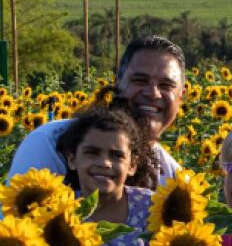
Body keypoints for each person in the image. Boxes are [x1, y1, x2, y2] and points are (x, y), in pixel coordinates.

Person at [7, 35, 185, 187]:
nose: (152, 93)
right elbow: (18, 223)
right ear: (118, 83)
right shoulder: (51, 143)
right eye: (140, 80)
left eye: (166, 85)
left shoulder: (171, 177)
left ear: (181, 96)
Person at [57, 106, 157, 246]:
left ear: (132, 165)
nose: (105, 163)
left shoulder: (150, 207)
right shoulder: (61, 213)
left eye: (116, 155)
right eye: (92, 152)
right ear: (72, 160)